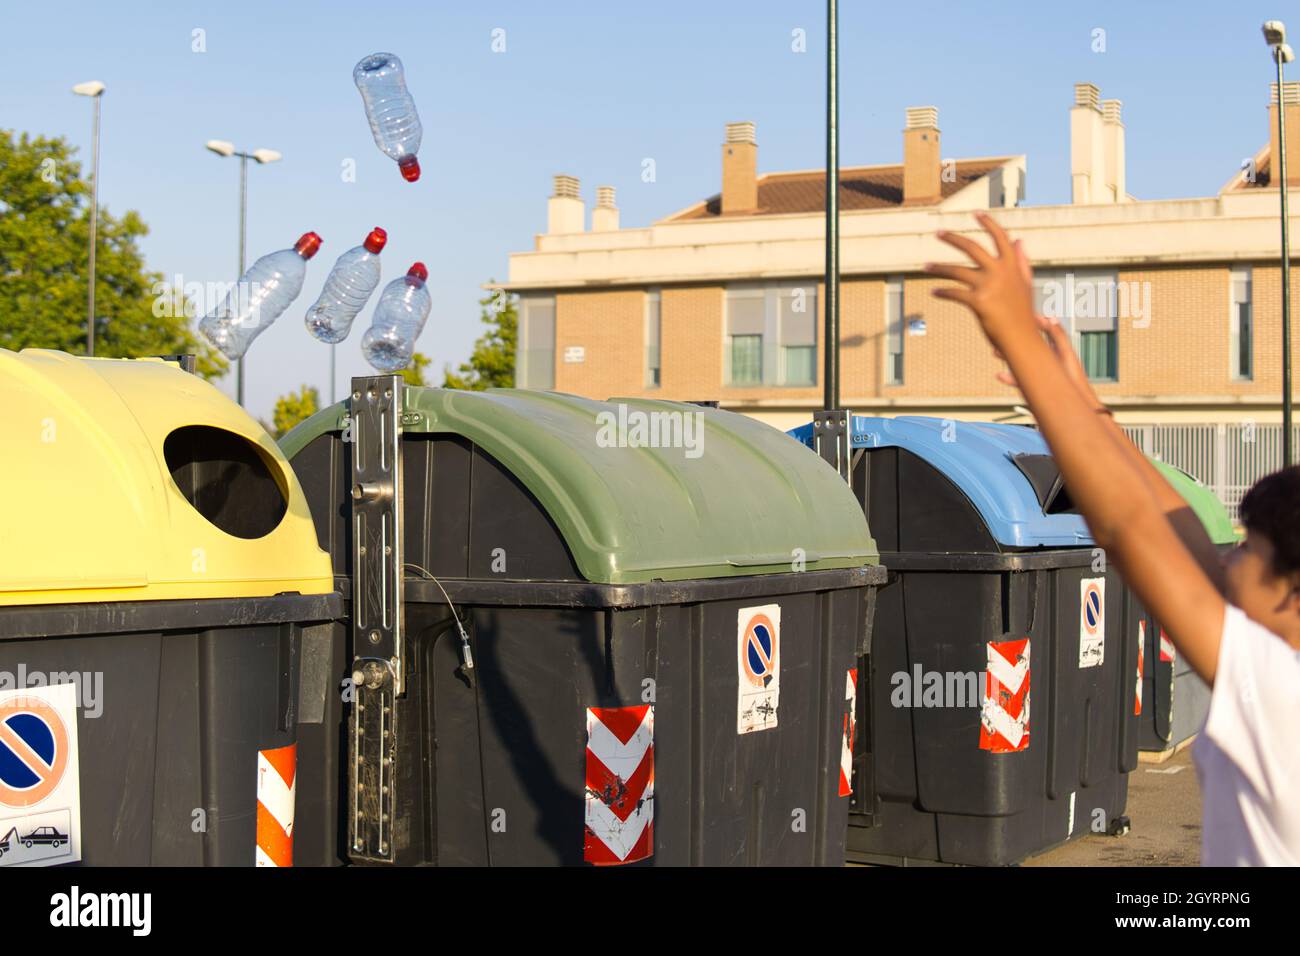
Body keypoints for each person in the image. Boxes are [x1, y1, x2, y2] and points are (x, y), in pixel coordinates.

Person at [925, 213, 1299, 866]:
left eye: (1250, 550)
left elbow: (1129, 528)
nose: (1227, 556)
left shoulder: (1278, 691)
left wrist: (1021, 344)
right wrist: (1091, 412)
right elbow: (1175, 533)